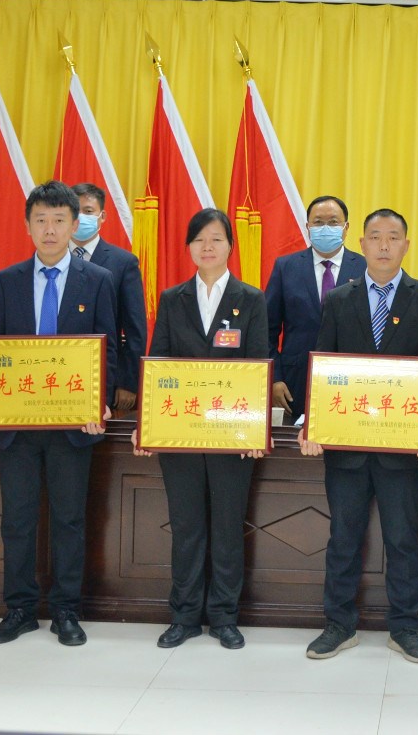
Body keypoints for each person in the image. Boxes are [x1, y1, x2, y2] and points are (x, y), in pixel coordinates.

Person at [0, 181, 115, 647]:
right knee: (17, 519)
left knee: (69, 519)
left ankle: (66, 610)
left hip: (73, 423)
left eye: (59, 220)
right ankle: (19, 609)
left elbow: (107, 350)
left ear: (74, 225)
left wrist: (100, 402)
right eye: (41, 220)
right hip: (17, 425)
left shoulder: (98, 280)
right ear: (28, 226)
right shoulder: (8, 280)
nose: (49, 230)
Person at [297, 208, 418, 664]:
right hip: (346, 445)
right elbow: (324, 364)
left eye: (393, 237)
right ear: (360, 244)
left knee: (402, 538)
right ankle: (339, 625)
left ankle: (405, 628)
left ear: (406, 245)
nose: (384, 245)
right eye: (375, 237)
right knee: (343, 536)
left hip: (403, 445)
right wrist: (314, 424)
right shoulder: (339, 299)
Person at [134, 208, 268, 650]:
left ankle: (225, 617)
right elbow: (158, 362)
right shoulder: (172, 299)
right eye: (199, 240)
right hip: (181, 432)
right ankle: (185, 616)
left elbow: (258, 363)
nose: (207, 247)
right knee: (187, 526)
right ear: (189, 247)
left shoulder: (251, 299)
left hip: (233, 436)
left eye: (216, 239)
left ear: (230, 246)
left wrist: (255, 431)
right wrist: (147, 424)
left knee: (228, 527)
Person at [265, 195, 367, 418]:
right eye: (318, 222)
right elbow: (266, 331)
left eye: (333, 222)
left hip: (351, 383)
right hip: (294, 383)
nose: (325, 228)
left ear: (346, 227)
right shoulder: (286, 267)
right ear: (308, 227)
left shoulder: (365, 268)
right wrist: (275, 378)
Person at [69, 182, 147, 416]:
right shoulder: (52, 259)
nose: (81, 217)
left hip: (105, 376)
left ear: (102, 216)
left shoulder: (123, 262)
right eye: (75, 211)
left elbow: (135, 328)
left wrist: (128, 381)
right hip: (59, 371)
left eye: (88, 211)